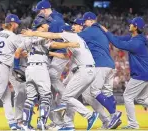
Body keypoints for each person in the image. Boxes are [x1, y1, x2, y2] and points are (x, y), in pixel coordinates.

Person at [21, 25, 100, 131]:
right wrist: (47, 52)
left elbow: (53, 36)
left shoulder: (69, 35)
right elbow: (66, 56)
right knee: (70, 98)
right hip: (89, 70)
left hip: (84, 70)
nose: (61, 34)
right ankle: (69, 125)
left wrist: (33, 33)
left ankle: (90, 116)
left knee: (66, 97)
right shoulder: (75, 39)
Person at [15, 17, 79, 131]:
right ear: (42, 25)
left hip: (29, 69)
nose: (48, 25)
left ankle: (25, 125)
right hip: (40, 68)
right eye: (46, 24)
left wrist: (16, 67)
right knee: (46, 96)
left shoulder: (27, 38)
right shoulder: (43, 36)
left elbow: (17, 52)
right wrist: (69, 44)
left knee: (30, 98)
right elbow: (55, 45)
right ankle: (42, 123)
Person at [101, 17, 148, 129]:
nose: (129, 25)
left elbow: (118, 43)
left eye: (131, 24)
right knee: (141, 99)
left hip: (142, 74)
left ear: (136, 27)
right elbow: (118, 38)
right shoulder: (135, 37)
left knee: (127, 96)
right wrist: (106, 35)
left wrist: (106, 32)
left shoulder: (136, 42)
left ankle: (133, 124)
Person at [78, 12, 122, 129]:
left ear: (91, 20)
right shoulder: (101, 30)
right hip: (110, 65)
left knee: (94, 90)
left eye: (85, 21)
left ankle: (114, 114)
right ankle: (113, 118)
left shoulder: (90, 30)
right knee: (107, 92)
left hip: (100, 65)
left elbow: (76, 38)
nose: (84, 23)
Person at [33, 0, 68, 128]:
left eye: (39, 10)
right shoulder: (53, 17)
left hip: (61, 51)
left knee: (52, 76)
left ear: (44, 9)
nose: (38, 13)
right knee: (48, 90)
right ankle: (57, 122)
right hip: (53, 54)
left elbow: (55, 38)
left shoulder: (55, 20)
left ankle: (67, 97)